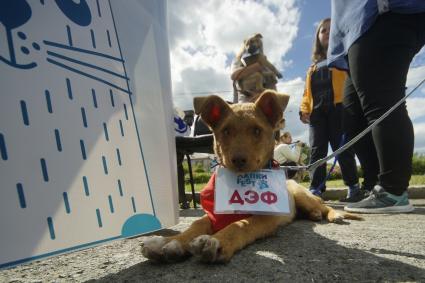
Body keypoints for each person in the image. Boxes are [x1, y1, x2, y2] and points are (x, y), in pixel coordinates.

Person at [328, 1, 425, 213]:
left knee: (382, 104)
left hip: (382, 14)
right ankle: (374, 185)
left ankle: (393, 190)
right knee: (354, 120)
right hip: (353, 31)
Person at [300, 18, 364, 200]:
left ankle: (353, 186)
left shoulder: (343, 57)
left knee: (342, 148)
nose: (327, 32)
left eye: (330, 29)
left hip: (339, 109)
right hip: (317, 113)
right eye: (323, 30)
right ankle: (316, 188)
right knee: (316, 150)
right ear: (318, 37)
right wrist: (304, 109)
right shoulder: (312, 68)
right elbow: (306, 92)